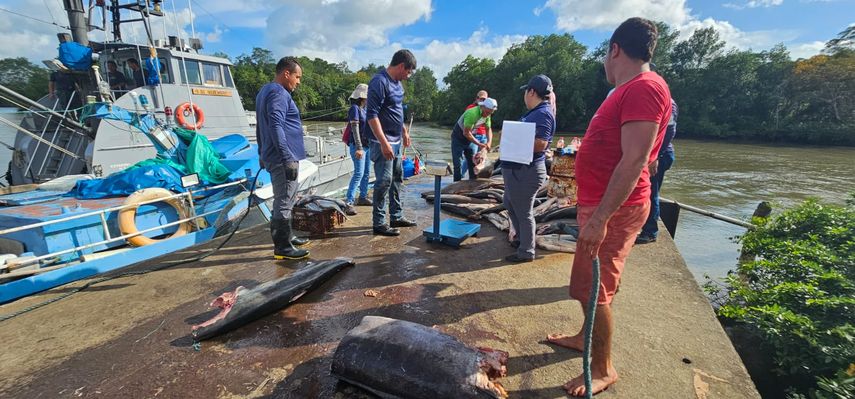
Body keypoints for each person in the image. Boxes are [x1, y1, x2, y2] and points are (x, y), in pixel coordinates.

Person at [546, 17, 672, 397]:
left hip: (613, 210)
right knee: (592, 285)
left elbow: (635, 161)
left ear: (615, 49)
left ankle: (602, 368)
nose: (604, 59)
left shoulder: (643, 88)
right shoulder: (633, 89)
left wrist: (601, 217)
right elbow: (641, 157)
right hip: (603, 203)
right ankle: (585, 337)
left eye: (604, 51)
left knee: (593, 289)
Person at [255, 56, 310, 260]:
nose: (298, 81)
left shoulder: (265, 91)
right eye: (297, 76)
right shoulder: (279, 93)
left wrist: (262, 152)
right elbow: (275, 125)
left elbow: (262, 126)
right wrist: (287, 157)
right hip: (282, 157)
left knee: (286, 198)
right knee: (284, 200)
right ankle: (283, 247)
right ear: (286, 73)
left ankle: (288, 237)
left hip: (273, 155)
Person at [503, 75, 556, 263]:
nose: (524, 95)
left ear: (532, 92)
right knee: (509, 202)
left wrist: (510, 141)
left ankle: (526, 250)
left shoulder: (542, 113)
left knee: (523, 210)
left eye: (526, 91)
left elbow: (541, 143)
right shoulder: (536, 112)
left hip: (528, 172)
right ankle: (520, 239)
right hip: (519, 170)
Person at [367, 49, 417, 236]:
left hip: (396, 140)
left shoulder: (398, 84)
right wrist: (383, 143)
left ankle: (396, 215)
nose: (408, 76)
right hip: (383, 141)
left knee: (397, 178)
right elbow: (371, 116)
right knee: (384, 181)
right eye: (409, 71)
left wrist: (404, 132)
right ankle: (379, 223)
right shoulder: (379, 82)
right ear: (401, 66)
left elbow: (397, 111)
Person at [636, 98, 678, 244]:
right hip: (650, 154)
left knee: (651, 192)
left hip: (659, 156)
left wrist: (655, 156)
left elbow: (670, 131)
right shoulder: (652, 101)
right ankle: (643, 226)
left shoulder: (667, 103)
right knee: (645, 191)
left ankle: (650, 232)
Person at [451, 97, 496, 181]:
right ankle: (456, 183)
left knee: (472, 161)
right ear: (483, 107)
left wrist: (489, 143)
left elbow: (488, 129)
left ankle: (472, 182)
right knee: (458, 164)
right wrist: (479, 144)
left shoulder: (487, 114)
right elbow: (466, 133)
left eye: (490, 113)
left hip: (470, 138)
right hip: (458, 138)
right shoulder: (472, 113)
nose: (488, 115)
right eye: (487, 112)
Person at [345, 83, 372, 207]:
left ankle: (362, 197)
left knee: (366, 173)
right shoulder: (354, 109)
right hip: (358, 146)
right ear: (362, 96)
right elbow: (355, 128)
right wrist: (359, 147)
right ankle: (349, 201)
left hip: (367, 145)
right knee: (358, 174)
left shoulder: (365, 109)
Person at [459, 90, 490, 176]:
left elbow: (488, 127)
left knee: (482, 158)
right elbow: (467, 128)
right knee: (471, 158)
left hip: (483, 136)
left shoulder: (488, 108)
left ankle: (476, 176)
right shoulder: (471, 108)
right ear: (477, 99)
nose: (483, 101)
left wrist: (488, 141)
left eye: (485, 99)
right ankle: (462, 175)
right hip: (474, 136)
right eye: (481, 99)